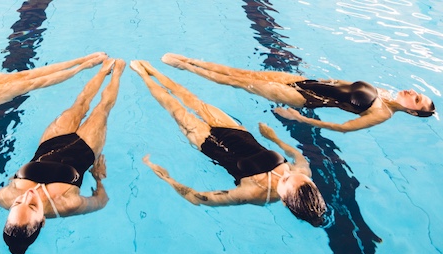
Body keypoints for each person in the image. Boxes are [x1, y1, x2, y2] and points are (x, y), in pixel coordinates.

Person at [130, 60, 326, 227]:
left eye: (286, 180)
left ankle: (144, 76)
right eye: (296, 174)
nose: (289, 173)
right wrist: (273, 137)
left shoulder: (254, 194)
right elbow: (297, 155)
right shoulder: (301, 174)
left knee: (175, 109)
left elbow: (197, 198)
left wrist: (165, 177)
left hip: (209, 143)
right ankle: (154, 71)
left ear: (284, 202)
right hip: (236, 132)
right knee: (194, 101)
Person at [0, 58, 125, 254]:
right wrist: (98, 177)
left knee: (79, 104)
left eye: (18, 203)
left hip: (50, 144)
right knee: (102, 109)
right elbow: (101, 201)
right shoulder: (67, 205)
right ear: (43, 220)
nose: (27, 196)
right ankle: (117, 73)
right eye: (32, 205)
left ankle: (102, 71)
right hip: (85, 150)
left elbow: (13, 180)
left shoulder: (3, 197)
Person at [161, 53, 436, 132]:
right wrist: (327, 78)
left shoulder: (382, 112)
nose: (412, 92)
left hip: (306, 99)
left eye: (416, 98)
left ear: (412, 111)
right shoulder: (386, 92)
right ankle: (191, 60)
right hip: (309, 82)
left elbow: (344, 128)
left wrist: (300, 119)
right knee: (248, 74)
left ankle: (186, 68)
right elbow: (348, 84)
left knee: (239, 83)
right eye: (417, 92)